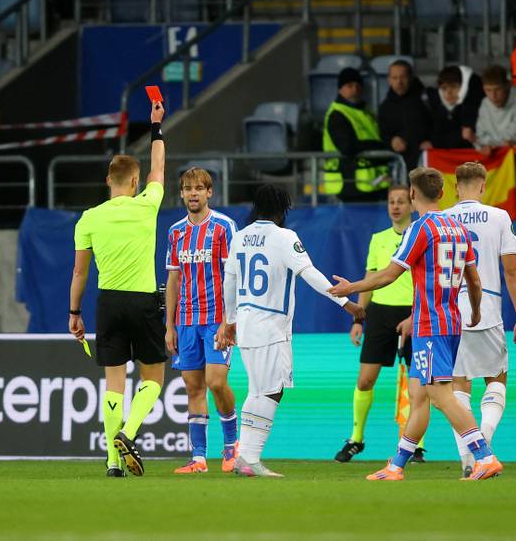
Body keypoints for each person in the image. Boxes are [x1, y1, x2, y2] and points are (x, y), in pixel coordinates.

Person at [329, 167, 504, 481]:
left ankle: (484, 456)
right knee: (420, 396)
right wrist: (475, 310)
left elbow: (389, 274)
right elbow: (474, 280)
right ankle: (396, 465)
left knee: (439, 395)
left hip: (430, 324)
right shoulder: (457, 228)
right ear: (441, 194)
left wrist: (350, 288)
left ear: (412, 195)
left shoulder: (420, 229)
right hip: (451, 321)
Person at [215, 185, 364, 477]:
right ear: (283, 209)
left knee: (260, 389)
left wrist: (230, 321)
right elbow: (310, 273)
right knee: (271, 390)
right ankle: (250, 458)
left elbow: (229, 282)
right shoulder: (285, 238)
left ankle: (244, 455)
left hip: (246, 324)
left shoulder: (240, 238)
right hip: (270, 326)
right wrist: (346, 302)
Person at [69, 100, 168, 477]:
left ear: (109, 181)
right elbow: (159, 165)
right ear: (135, 182)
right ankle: (129, 432)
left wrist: (74, 314)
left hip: (107, 302)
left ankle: (112, 461)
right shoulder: (147, 205)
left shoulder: (89, 218)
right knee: (154, 378)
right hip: (142, 301)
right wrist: (156, 126)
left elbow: (79, 273)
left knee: (114, 384)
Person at [443, 162, 516, 477]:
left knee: (457, 385)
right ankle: (485, 443)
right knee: (496, 378)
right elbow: (511, 269)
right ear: (483, 186)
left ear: (455, 187)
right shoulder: (498, 217)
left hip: (450, 312)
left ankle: (469, 458)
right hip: (488, 308)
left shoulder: (441, 219)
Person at [334, 186, 418, 463]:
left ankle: (414, 445)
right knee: (365, 380)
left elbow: (424, 280)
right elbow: (370, 278)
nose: (395, 206)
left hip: (412, 313)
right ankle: (356, 439)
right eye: (391, 202)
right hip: (380, 314)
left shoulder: (419, 234)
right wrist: (359, 318)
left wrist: (416, 313)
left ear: (411, 205)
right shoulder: (378, 239)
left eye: (401, 202)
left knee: (416, 384)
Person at [164, 168, 239, 474]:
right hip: (185, 321)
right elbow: (174, 278)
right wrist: (169, 325)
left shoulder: (224, 227)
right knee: (193, 387)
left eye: (199, 188)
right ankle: (198, 459)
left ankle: (232, 447)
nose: (192, 193)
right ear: (181, 193)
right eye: (187, 188)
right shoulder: (175, 232)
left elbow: (233, 276)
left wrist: (228, 321)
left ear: (210, 192)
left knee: (216, 382)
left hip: (216, 319)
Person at [321, 67, 389, 199]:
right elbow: (347, 146)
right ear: (340, 89)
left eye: (358, 85)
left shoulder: (365, 112)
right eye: (349, 85)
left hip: (372, 183)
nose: (355, 89)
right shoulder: (337, 113)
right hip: (350, 183)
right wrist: (378, 146)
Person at [378, 60, 432, 170]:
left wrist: (433, 141)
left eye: (403, 77)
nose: (399, 82)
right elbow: (383, 134)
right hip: (400, 168)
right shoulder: (385, 107)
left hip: (427, 164)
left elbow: (440, 125)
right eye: (395, 78)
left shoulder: (427, 99)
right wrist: (391, 141)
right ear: (389, 80)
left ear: (411, 78)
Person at [475, 65, 516, 153]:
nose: (493, 96)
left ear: (508, 85)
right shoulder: (485, 103)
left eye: (497, 89)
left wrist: (489, 143)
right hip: (492, 155)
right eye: (488, 90)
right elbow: (479, 136)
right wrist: (491, 144)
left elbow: (515, 136)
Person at [426, 65, 485, 150]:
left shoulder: (472, 109)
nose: (448, 92)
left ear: (463, 88)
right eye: (444, 88)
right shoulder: (437, 108)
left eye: (453, 87)